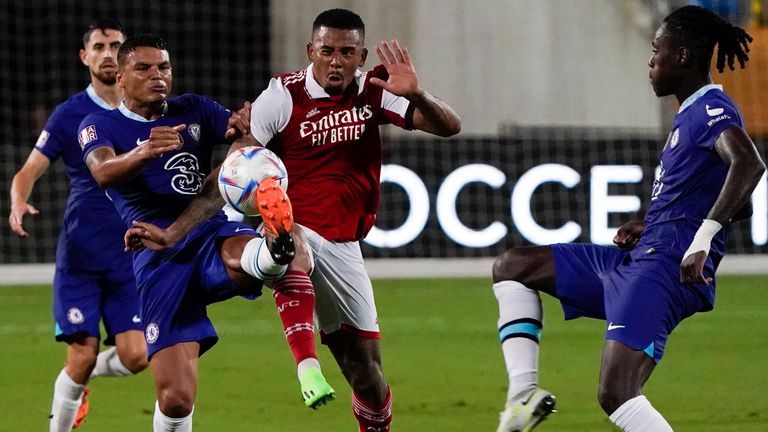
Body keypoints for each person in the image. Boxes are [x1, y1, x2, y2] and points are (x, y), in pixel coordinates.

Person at [491, 5, 765, 432]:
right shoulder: (689, 112)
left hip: (667, 266)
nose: (650, 60)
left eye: (657, 50)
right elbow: (740, 202)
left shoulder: (712, 109)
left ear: (683, 57)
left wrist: (701, 237)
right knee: (514, 267)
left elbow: (748, 165)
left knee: (616, 391)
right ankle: (522, 396)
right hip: (647, 254)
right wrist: (656, 222)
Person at [79, 34, 335, 431]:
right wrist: (144, 150)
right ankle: (274, 251)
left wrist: (245, 127)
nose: (157, 76)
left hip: (209, 232)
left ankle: (277, 249)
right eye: (144, 69)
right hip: (158, 255)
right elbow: (102, 171)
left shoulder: (193, 108)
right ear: (122, 76)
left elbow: (242, 137)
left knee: (276, 250)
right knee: (176, 399)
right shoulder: (99, 124)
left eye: (163, 67)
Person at [247, 8, 461, 431]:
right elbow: (243, 162)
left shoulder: (374, 89)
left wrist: (417, 95)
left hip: (344, 243)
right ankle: (306, 366)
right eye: (327, 50)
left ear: (361, 57)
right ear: (311, 51)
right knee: (294, 245)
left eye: (347, 52)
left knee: (369, 378)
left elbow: (448, 127)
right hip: (289, 223)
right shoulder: (281, 96)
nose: (336, 61)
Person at [8, 20, 149, 432]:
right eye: (99, 46)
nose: (108, 52)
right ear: (85, 57)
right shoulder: (70, 113)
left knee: (138, 356)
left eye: (116, 45)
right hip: (81, 258)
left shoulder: (145, 109)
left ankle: (81, 381)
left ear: (127, 57)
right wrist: (18, 198)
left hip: (129, 256)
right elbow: (30, 169)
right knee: (81, 356)